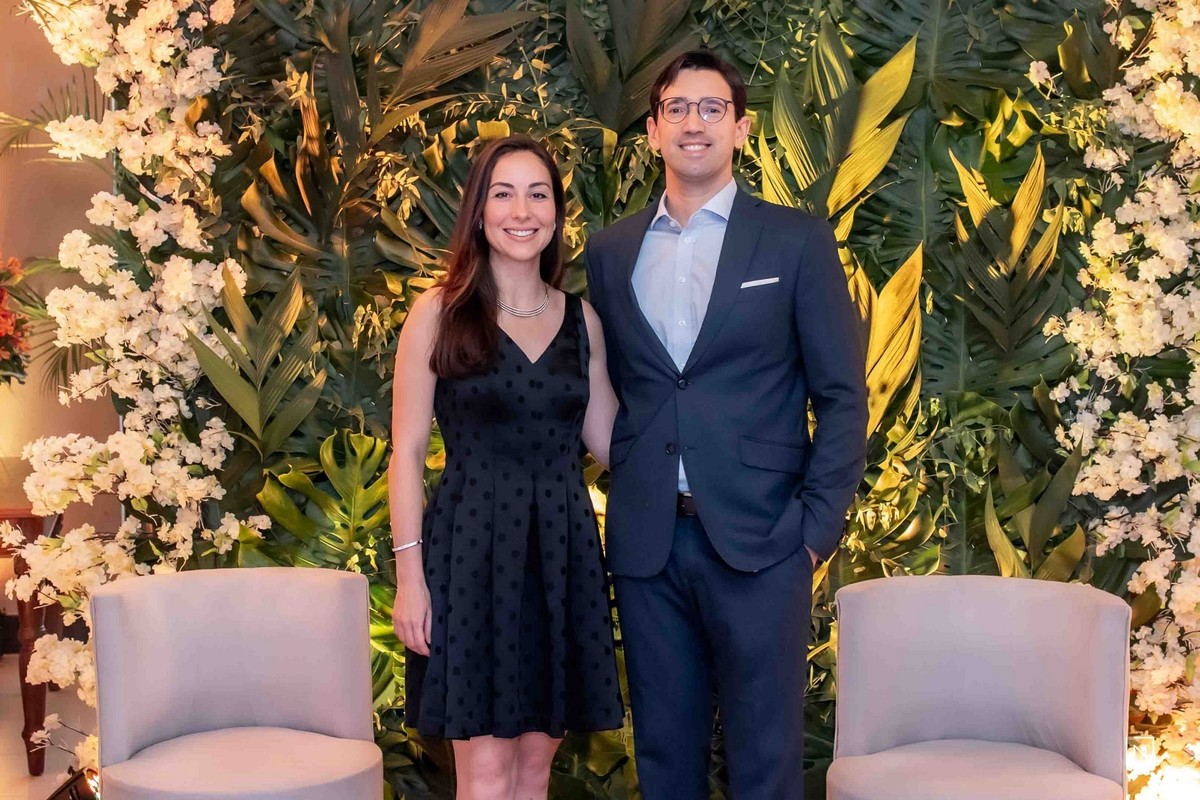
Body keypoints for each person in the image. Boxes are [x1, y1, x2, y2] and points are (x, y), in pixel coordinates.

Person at [583, 50, 869, 800]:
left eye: (712, 108)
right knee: (665, 762)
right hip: (648, 547)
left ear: (741, 128)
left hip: (765, 543)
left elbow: (842, 396)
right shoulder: (610, 252)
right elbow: (613, 386)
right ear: (653, 131)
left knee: (765, 764)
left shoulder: (795, 241)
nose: (694, 122)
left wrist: (814, 533)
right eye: (677, 108)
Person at [389, 135, 624, 800]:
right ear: (479, 210)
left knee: (533, 772)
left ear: (556, 214)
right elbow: (407, 453)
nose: (522, 211)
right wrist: (410, 579)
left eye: (538, 194)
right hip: (470, 555)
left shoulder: (582, 321)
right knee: (487, 774)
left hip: (561, 555)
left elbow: (613, 444)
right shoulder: (437, 313)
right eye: (504, 194)